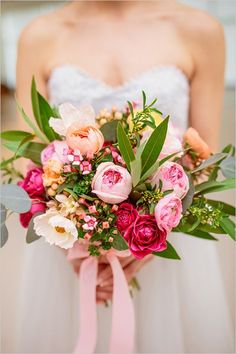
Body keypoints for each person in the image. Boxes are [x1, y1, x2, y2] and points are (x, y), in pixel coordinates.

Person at [14, 1, 233, 352]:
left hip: (166, 245)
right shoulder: (39, 35)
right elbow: (30, 158)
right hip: (68, 246)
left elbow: (204, 156)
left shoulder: (199, 30)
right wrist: (86, 241)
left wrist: (142, 243)